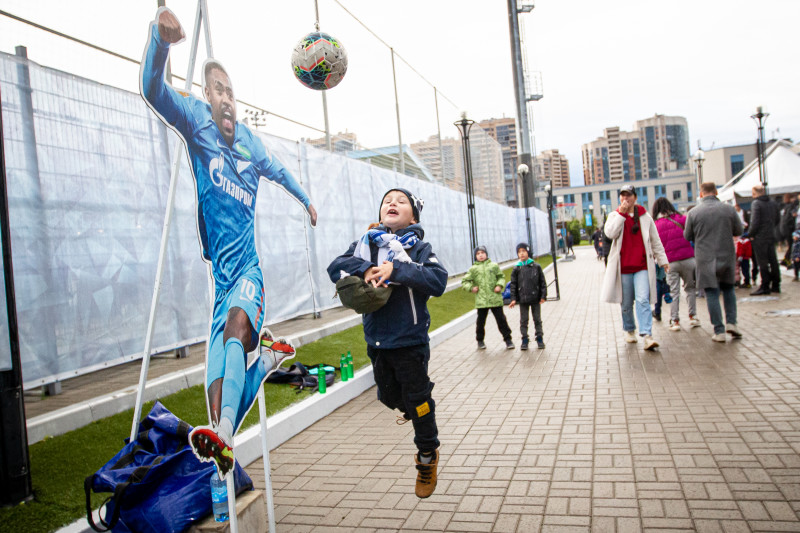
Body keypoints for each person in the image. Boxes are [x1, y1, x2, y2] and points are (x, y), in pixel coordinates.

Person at [141, 8, 318, 476]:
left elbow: (278, 170)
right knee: (217, 385)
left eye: (231, 91)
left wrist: (306, 201)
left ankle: (231, 417)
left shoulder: (250, 143)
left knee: (240, 324)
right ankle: (255, 382)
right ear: (206, 97)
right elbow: (153, 91)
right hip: (220, 281)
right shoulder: (196, 123)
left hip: (248, 275)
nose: (226, 99)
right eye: (217, 90)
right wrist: (160, 43)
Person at [327, 188, 447, 499]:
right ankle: (413, 406)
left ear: (413, 216)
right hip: (378, 342)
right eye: (386, 201)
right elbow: (334, 266)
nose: (392, 203)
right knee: (388, 396)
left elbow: (438, 281)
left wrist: (399, 269)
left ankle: (426, 455)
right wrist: (364, 267)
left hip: (410, 343)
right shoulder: (365, 245)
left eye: (401, 201)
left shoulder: (419, 249)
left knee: (419, 400)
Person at [601, 184, 669, 351]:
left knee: (643, 299)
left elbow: (655, 240)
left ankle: (647, 335)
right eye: (623, 195)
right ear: (620, 198)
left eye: (629, 195)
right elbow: (610, 233)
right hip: (623, 268)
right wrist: (621, 214)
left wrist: (663, 260)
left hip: (641, 267)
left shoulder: (645, 216)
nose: (626, 198)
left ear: (635, 198)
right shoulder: (614, 215)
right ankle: (629, 329)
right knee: (626, 303)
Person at [684, 182, 744, 342]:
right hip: (726, 255)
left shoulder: (694, 213)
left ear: (701, 194)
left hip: (705, 258)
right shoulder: (728, 209)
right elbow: (739, 231)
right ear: (716, 192)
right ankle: (732, 323)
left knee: (712, 292)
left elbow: (687, 235)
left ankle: (719, 331)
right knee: (729, 289)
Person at [651, 197, 700, 331]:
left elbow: (654, 246)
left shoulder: (656, 225)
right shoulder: (682, 219)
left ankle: (675, 320)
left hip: (670, 262)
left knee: (674, 292)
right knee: (690, 288)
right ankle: (693, 316)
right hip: (688, 259)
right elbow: (692, 235)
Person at [461, 246, 514, 350]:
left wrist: (499, 285)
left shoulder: (493, 266)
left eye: (482, 253)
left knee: (501, 320)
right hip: (482, 301)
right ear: (475, 256)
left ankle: (508, 340)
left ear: (486, 254)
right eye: (478, 253)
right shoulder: (473, 269)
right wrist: (471, 288)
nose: (480, 255)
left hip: (495, 299)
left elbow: (501, 277)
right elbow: (464, 281)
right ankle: (480, 340)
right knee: (480, 322)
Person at [508, 243, 547, 350]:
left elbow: (542, 282)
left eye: (523, 251)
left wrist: (543, 295)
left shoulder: (536, 266)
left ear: (528, 252)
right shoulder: (516, 268)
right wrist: (513, 299)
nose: (522, 254)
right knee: (523, 320)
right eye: (519, 252)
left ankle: (539, 338)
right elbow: (513, 285)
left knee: (537, 319)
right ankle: (524, 339)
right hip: (523, 299)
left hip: (535, 299)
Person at [749, 185, 780, 295]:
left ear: (756, 193)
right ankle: (776, 284)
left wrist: (751, 234)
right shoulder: (772, 203)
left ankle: (765, 285)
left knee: (762, 262)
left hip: (760, 237)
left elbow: (755, 222)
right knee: (773, 260)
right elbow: (777, 219)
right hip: (771, 234)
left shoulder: (756, 204)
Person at [779, 193, 799, 267]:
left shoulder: (784, 207)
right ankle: (786, 261)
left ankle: (786, 261)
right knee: (791, 246)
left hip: (783, 229)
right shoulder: (791, 206)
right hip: (788, 229)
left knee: (790, 245)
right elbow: (789, 218)